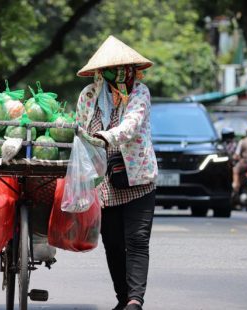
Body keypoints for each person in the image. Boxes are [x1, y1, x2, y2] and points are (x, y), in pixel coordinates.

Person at [75, 35, 157, 310]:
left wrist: (104, 137)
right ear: (101, 73)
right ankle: (123, 299)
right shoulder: (88, 95)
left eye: (127, 68)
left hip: (138, 177)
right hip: (104, 183)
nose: (123, 73)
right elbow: (79, 129)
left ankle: (135, 300)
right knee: (112, 243)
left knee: (137, 239)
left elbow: (131, 126)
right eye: (115, 68)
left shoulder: (139, 93)